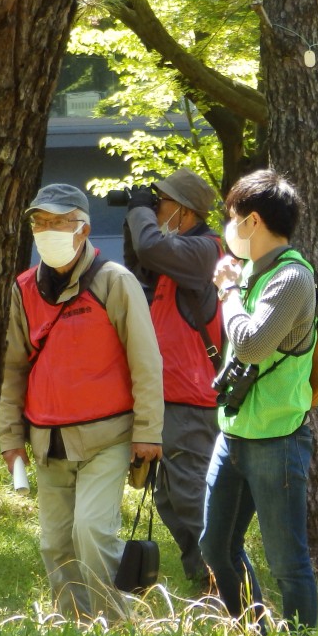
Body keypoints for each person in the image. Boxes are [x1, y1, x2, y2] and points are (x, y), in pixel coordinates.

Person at [0, 183, 164, 622]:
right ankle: (77, 627)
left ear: (83, 228)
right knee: (55, 542)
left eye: (58, 222)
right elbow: (12, 369)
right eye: (40, 223)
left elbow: (146, 361)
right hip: (47, 441)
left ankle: (115, 625)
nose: (47, 231)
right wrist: (11, 438)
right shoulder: (23, 289)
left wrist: (148, 432)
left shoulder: (114, 281)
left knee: (91, 530)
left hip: (108, 436)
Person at [200, 169, 318, 631]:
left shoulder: (291, 278)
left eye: (231, 216)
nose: (228, 226)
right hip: (234, 433)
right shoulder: (251, 270)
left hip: (278, 437)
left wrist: (228, 290)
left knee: (289, 560)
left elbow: (250, 344)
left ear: (252, 221)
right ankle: (254, 626)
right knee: (216, 546)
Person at [122, 167, 223, 585]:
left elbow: (149, 246)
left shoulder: (204, 251)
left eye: (159, 202)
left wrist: (138, 212)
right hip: (168, 399)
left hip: (191, 400)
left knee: (189, 494)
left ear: (181, 211)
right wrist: (138, 213)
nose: (153, 210)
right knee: (167, 496)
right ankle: (203, 574)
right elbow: (139, 257)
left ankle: (220, 577)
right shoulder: (175, 255)